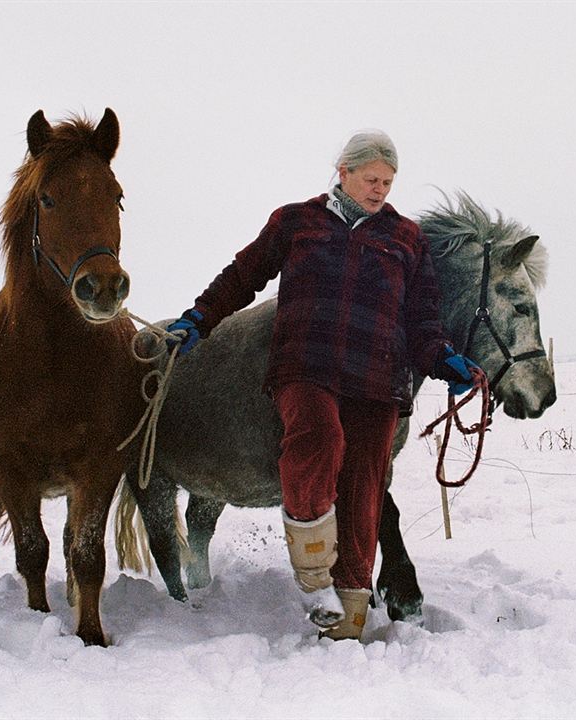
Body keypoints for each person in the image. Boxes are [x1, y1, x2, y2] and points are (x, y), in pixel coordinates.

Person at [166, 130, 480, 641]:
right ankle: (314, 576)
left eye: (388, 181)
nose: (380, 189)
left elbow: (422, 319)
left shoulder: (406, 238)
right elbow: (243, 274)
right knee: (318, 439)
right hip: (306, 367)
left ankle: (349, 612)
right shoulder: (297, 221)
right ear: (344, 172)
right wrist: (200, 318)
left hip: (377, 380)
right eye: (371, 179)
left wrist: (444, 359)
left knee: (365, 482)